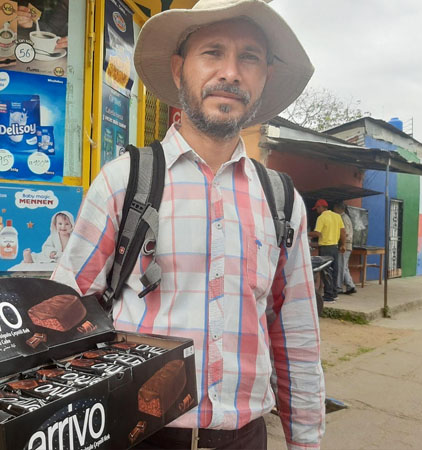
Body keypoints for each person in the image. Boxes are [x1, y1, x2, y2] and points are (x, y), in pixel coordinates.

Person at [52, 1, 324, 449]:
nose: (231, 73)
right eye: (213, 52)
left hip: (245, 438)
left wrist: (307, 440)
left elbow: (295, 338)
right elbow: (65, 318)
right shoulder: (124, 182)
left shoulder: (281, 199)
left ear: (264, 77)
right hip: (137, 433)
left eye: (249, 57)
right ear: (180, 70)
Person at [307, 199, 345, 302]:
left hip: (325, 248)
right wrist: (343, 245)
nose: (317, 211)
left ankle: (328, 296)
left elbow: (317, 233)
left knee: (326, 271)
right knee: (334, 271)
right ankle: (334, 293)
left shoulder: (322, 218)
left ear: (321, 207)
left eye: (317, 208)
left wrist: (305, 233)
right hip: (335, 247)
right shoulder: (337, 216)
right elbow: (343, 231)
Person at [333, 202, 357, 294]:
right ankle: (350, 285)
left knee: (340, 266)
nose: (334, 211)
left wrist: (340, 243)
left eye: (334, 209)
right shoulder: (346, 217)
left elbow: (344, 233)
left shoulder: (342, 218)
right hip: (347, 245)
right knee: (344, 267)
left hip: (344, 245)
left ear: (339, 209)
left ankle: (338, 287)